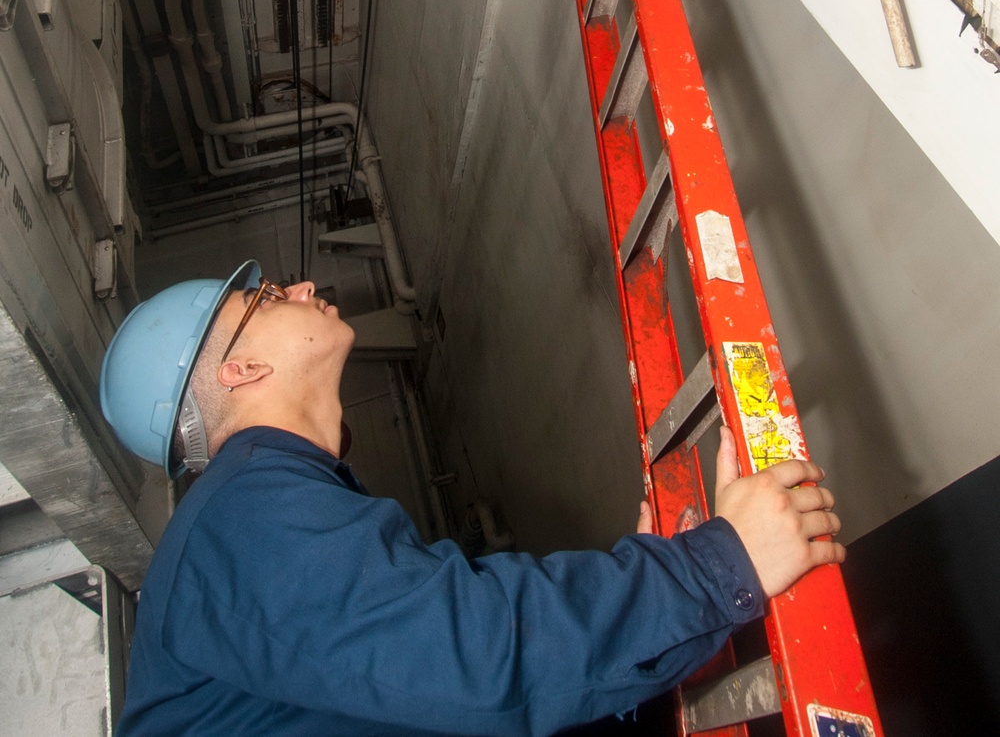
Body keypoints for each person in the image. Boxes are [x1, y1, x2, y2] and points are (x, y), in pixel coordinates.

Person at [100, 262, 845, 736]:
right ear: (240, 368)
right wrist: (716, 568)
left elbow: (440, 698)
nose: (300, 286)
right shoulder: (243, 522)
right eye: (263, 297)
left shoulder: (261, 517)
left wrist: (665, 594)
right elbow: (478, 652)